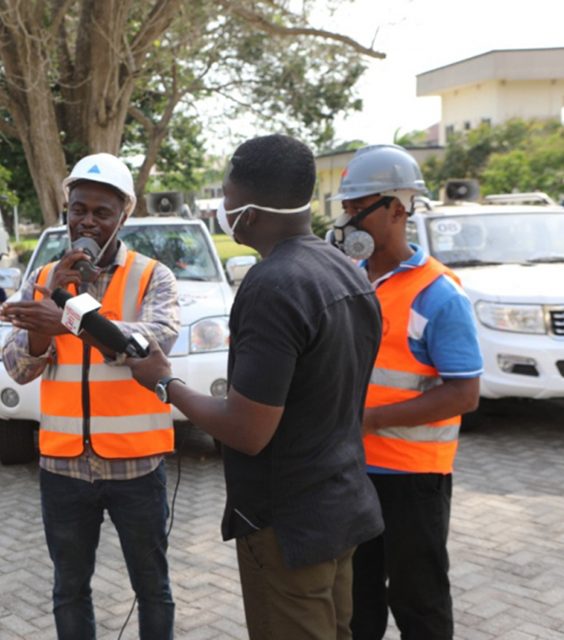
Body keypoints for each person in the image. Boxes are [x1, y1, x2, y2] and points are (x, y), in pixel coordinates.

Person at [125, 134, 384, 640]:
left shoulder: (273, 285)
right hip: (342, 506)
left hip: (289, 529)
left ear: (249, 211)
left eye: (227, 195)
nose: (223, 208)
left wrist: (165, 381)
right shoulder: (346, 271)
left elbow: (247, 431)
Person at [0, 152, 180, 639]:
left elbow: (155, 341)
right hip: (64, 468)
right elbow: (18, 369)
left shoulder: (152, 276)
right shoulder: (43, 280)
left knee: (153, 588)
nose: (87, 221)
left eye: (102, 212)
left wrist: (70, 319)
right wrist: (50, 302)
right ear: (66, 212)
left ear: (124, 217)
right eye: (78, 209)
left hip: (136, 465)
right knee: (69, 589)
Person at [329, 144, 482, 640]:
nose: (348, 223)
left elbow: (464, 394)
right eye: (346, 210)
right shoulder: (349, 280)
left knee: (420, 603)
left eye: (360, 209)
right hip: (354, 471)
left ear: (398, 210)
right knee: (357, 605)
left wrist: (371, 420)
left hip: (414, 479)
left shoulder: (439, 294)